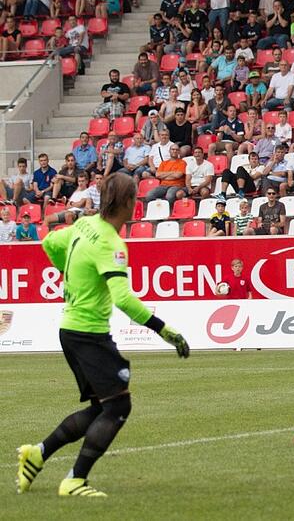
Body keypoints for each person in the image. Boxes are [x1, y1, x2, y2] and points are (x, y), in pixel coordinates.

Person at [16, 173, 189, 499]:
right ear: (127, 202)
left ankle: (38, 453)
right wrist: (165, 330)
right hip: (88, 334)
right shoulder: (112, 243)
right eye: (135, 197)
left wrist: (71, 278)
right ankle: (74, 480)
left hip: (69, 328)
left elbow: (49, 242)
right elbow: (123, 299)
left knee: (101, 407)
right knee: (118, 406)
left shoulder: (83, 226)